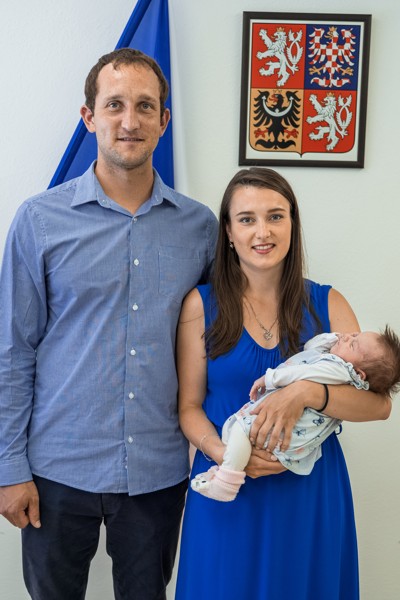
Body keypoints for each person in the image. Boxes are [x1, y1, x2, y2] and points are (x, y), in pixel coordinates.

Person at [0, 48, 218, 600]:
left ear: (163, 120)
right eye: (114, 104)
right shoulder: (39, 220)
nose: (130, 121)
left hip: (157, 470)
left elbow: (219, 341)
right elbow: (12, 350)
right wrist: (8, 467)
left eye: (145, 106)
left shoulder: (200, 227)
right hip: (55, 468)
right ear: (89, 117)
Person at [175, 167, 392, 600]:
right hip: (228, 489)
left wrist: (308, 392)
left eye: (276, 216)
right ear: (229, 232)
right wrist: (226, 454)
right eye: (247, 219)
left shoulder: (328, 303)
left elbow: (378, 405)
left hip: (308, 493)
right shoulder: (200, 305)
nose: (263, 232)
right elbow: (189, 408)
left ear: (293, 223)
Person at [191, 328, 400, 501]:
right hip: (293, 443)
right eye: (354, 334)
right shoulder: (340, 364)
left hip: (283, 432)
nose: (347, 336)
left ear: (359, 374)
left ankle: (226, 483)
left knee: (242, 429)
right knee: (241, 438)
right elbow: (310, 349)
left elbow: (301, 372)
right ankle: (226, 470)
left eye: (353, 344)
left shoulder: (339, 369)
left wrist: (270, 379)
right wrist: (336, 339)